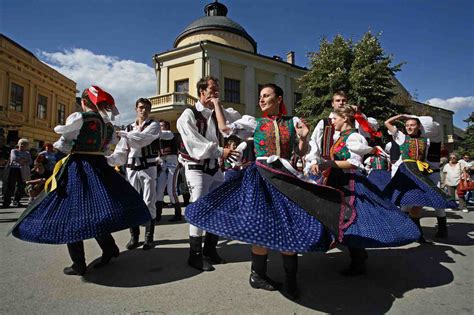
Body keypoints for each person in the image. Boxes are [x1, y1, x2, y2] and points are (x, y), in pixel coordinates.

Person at [9, 86, 151, 276]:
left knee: (72, 214)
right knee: (94, 210)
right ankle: (109, 248)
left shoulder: (79, 118)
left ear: (83, 102)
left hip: (79, 167)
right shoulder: (107, 125)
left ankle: (79, 263)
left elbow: (63, 145)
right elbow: (108, 148)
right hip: (100, 168)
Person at [176, 76, 241, 272]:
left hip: (215, 167)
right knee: (198, 207)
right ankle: (194, 256)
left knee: (218, 207)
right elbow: (194, 144)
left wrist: (218, 106)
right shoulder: (188, 115)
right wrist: (221, 151)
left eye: (217, 89)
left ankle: (210, 250)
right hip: (196, 168)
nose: (216, 92)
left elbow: (234, 122)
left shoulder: (217, 113)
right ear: (201, 92)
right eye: (212, 89)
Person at [383, 114, 457, 242]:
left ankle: (417, 234)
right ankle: (407, 231)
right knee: (406, 201)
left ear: (418, 127)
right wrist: (401, 116)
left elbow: (433, 130)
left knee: (417, 203)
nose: (409, 127)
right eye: (407, 125)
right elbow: (387, 123)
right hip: (406, 170)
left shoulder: (426, 140)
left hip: (420, 170)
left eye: (412, 125)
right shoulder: (401, 137)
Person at [108, 98, 161, 251]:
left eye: (146, 108)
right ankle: (134, 236)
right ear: (136, 109)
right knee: (132, 201)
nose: (143, 110)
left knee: (149, 200)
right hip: (131, 167)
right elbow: (122, 151)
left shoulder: (154, 125)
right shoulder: (129, 127)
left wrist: (124, 134)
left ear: (150, 110)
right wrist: (108, 159)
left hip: (148, 166)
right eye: (140, 107)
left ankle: (149, 238)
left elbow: (142, 140)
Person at [155, 120, 182, 222]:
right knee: (159, 191)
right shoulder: (159, 138)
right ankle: (158, 215)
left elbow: (160, 134)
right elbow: (160, 154)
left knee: (171, 190)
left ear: (167, 126)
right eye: (159, 126)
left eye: (162, 125)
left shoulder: (169, 133)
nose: (160, 127)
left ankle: (178, 214)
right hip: (163, 164)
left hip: (172, 164)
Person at [2, 138, 32, 208]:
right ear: (18, 144)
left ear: (26, 146)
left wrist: (21, 160)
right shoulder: (14, 151)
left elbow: (30, 161)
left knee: (21, 186)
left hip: (23, 171)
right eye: (21, 144)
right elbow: (14, 158)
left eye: (24, 145)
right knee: (10, 186)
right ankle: (6, 202)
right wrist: (24, 160)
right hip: (13, 169)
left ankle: (16, 201)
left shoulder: (27, 153)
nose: (22, 146)